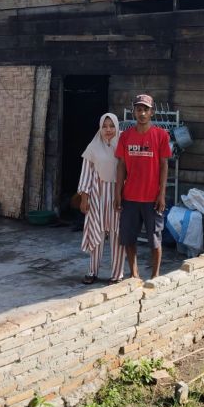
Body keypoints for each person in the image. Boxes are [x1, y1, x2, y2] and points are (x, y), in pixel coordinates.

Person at [114, 94, 172, 279]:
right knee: (129, 239)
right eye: (139, 109)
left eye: (146, 109)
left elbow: (164, 165)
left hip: (152, 198)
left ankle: (155, 277)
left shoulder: (161, 135)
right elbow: (121, 165)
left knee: (155, 241)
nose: (142, 113)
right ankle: (135, 275)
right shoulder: (126, 137)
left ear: (152, 112)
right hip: (130, 197)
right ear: (134, 112)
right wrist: (118, 193)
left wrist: (161, 194)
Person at [78, 113, 126, 284]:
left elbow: (128, 171)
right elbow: (86, 173)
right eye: (104, 126)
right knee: (96, 233)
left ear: (117, 127)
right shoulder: (94, 146)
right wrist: (85, 198)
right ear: (100, 127)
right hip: (97, 194)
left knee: (117, 234)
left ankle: (117, 275)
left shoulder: (123, 144)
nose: (108, 130)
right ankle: (92, 271)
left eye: (111, 126)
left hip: (117, 195)